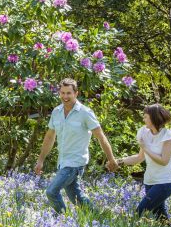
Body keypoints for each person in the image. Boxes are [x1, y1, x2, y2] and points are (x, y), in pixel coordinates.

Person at [34, 78, 118, 214]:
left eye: (69, 93)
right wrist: (40, 160)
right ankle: (98, 217)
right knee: (77, 198)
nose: (65, 96)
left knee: (51, 192)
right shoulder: (56, 112)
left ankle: (63, 222)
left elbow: (100, 137)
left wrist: (111, 159)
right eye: (62, 93)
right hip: (62, 162)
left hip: (75, 163)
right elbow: (49, 137)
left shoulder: (85, 113)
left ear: (76, 93)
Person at [113, 104, 171, 223]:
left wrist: (146, 148)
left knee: (140, 212)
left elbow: (164, 161)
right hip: (150, 182)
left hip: (165, 182)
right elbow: (139, 158)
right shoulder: (144, 133)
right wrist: (118, 162)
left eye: (145, 117)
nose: (143, 119)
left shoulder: (169, 136)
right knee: (161, 218)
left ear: (154, 118)